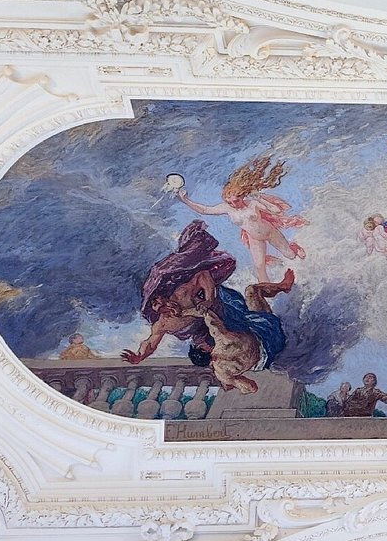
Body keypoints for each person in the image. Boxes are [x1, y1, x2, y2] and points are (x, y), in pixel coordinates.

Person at [122, 220, 290, 394]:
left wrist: (209, 300)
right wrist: (140, 356)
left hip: (224, 312)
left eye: (160, 301)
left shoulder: (182, 294)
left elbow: (203, 275)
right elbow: (150, 343)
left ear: (163, 295)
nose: (163, 306)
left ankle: (283, 287)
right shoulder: (163, 324)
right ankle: (232, 374)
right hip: (210, 332)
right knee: (229, 348)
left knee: (252, 303)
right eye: (158, 307)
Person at [177, 156, 307, 283]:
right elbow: (205, 210)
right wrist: (185, 200)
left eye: (236, 201)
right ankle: (266, 289)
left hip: (270, 232)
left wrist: (260, 199)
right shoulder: (227, 208)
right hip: (254, 238)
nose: (234, 204)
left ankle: (293, 247)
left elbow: (276, 210)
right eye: (230, 202)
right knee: (259, 266)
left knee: (290, 255)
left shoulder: (252, 203)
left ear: (242, 196)